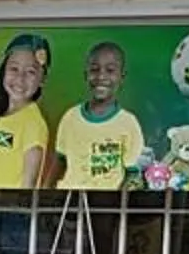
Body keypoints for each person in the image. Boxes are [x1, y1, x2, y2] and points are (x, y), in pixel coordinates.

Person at [54, 42, 147, 191]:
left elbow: (133, 175)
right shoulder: (70, 117)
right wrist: (40, 197)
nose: (101, 76)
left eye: (110, 70)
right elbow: (59, 163)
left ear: (121, 77)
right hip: (69, 203)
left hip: (106, 206)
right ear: (86, 75)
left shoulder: (128, 123)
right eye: (94, 70)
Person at [0, 34, 52, 190]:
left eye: (31, 72)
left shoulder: (33, 123)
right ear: (3, 70)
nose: (20, 78)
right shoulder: (2, 116)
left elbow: (28, 187)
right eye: (14, 68)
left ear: (42, 79)